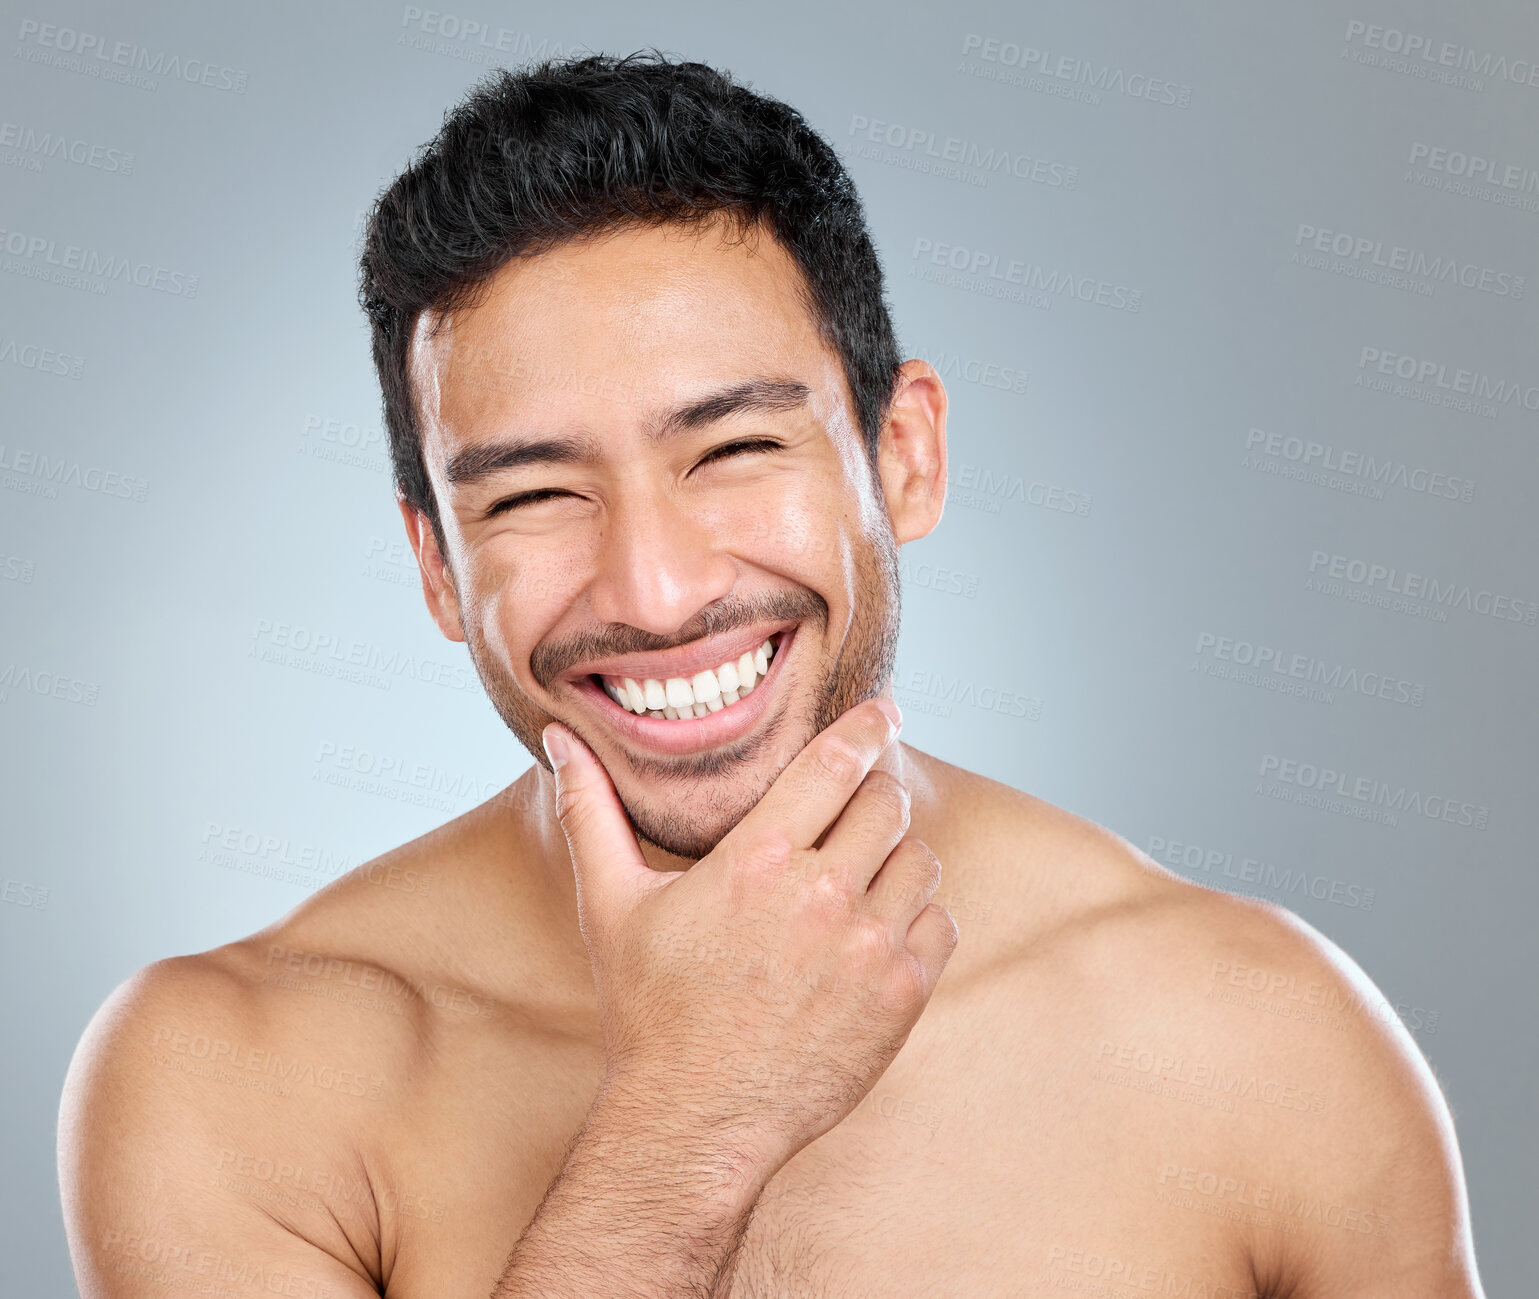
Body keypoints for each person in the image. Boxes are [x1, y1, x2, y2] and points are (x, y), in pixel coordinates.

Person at [59, 52, 1484, 1298]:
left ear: (903, 455)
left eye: (735, 449)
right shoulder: (225, 1081)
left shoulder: (1261, 1036)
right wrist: (695, 1117)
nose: (659, 591)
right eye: (535, 495)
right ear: (437, 569)